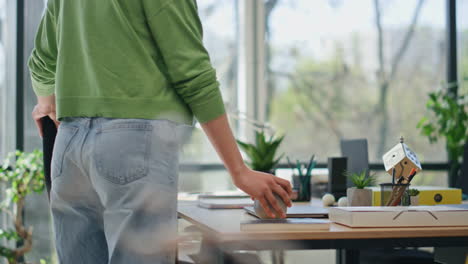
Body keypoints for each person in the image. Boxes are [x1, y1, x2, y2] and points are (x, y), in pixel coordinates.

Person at [28, 0, 292, 263]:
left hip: (69, 144)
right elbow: (194, 76)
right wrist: (239, 171)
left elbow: (41, 62)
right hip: (132, 144)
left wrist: (47, 103)